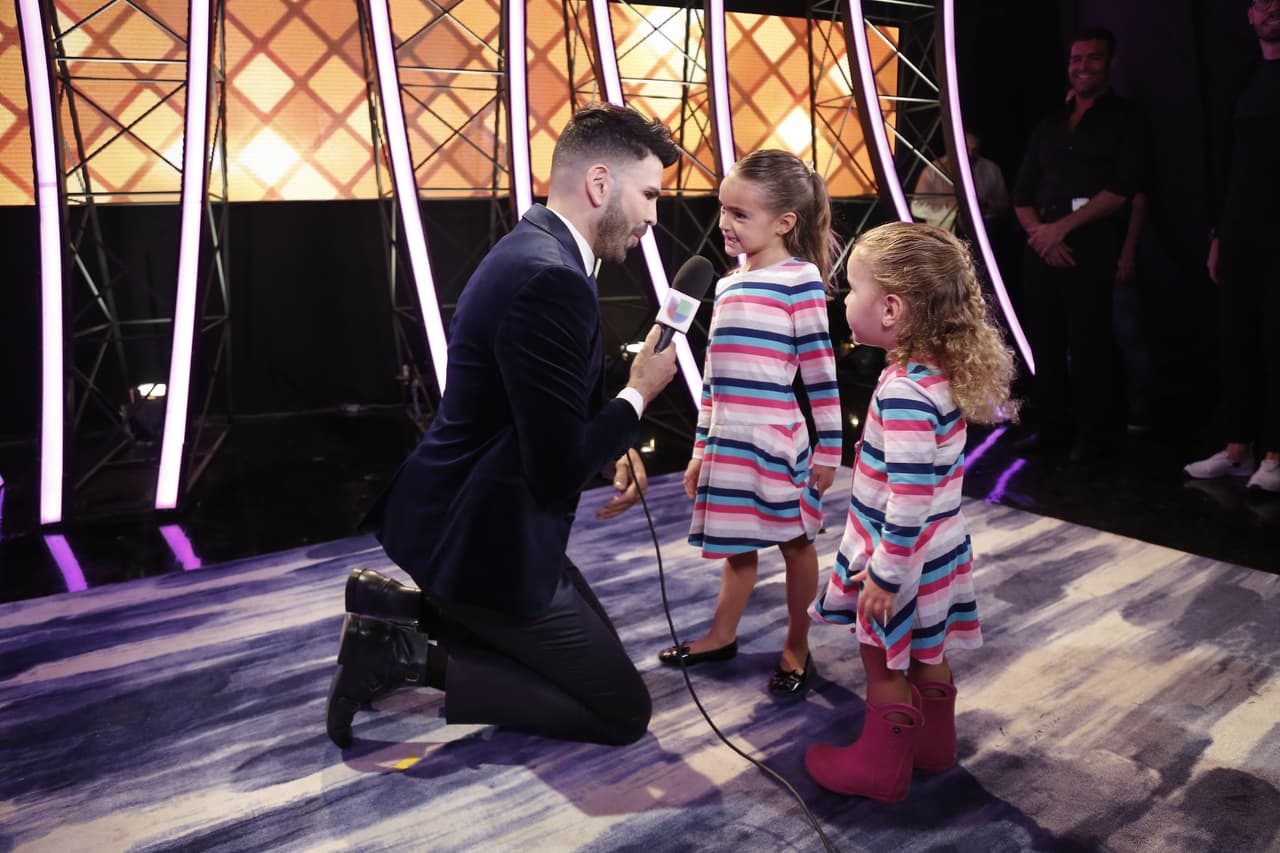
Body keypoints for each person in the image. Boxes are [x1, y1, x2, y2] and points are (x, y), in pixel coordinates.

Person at [324, 103, 681, 749]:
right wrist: (637, 395)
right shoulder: (551, 277)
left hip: (471, 517)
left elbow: (534, 407)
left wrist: (609, 442)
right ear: (600, 183)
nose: (654, 217)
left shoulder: (537, 247)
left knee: (585, 659)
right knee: (622, 712)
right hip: (480, 540)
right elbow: (553, 471)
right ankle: (403, 655)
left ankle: (399, 611)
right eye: (650, 195)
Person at [806, 222, 1019, 803]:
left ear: (891, 309)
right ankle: (933, 747)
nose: (843, 299)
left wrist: (884, 572)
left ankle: (878, 772)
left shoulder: (903, 391)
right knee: (929, 649)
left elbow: (909, 495)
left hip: (898, 556)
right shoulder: (936, 375)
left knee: (883, 662)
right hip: (940, 550)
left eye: (853, 289)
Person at [655, 150, 842, 698]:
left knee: (794, 544)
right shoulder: (728, 284)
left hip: (775, 443)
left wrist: (830, 450)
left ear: (784, 222)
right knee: (737, 545)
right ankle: (722, 635)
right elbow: (712, 379)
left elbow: (820, 373)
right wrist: (700, 449)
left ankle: (797, 646)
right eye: (723, 209)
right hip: (728, 442)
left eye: (740, 214)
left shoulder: (800, 280)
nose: (725, 223)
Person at [1012, 26, 1145, 462]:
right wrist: (1043, 235)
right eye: (1076, 58)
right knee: (1045, 343)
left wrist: (1061, 229)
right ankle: (1052, 429)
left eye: (1093, 58)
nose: (1082, 66)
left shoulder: (1125, 119)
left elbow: (1122, 189)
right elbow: (1022, 194)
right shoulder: (1049, 124)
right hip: (1042, 250)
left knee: (1090, 345)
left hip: (1091, 248)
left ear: (1110, 63)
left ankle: (1094, 436)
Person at [1184, 0, 1280, 493]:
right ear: (1250, 15)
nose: (1272, 8)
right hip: (1241, 229)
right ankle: (1238, 448)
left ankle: (1275, 454)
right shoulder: (1244, 75)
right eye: (1262, 2)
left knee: (1275, 340)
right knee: (1237, 338)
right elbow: (1231, 161)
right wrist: (1218, 235)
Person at [910, 130, 1010, 233]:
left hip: (980, 234)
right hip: (942, 235)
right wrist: (953, 209)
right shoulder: (934, 170)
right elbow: (916, 207)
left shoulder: (991, 169)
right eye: (966, 148)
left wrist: (986, 206)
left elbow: (1004, 206)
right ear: (954, 145)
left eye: (974, 149)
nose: (970, 154)